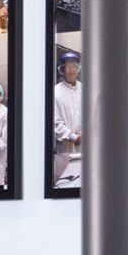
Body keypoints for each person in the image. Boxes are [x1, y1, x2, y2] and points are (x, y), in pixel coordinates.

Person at [53, 54, 84, 188]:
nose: (71, 70)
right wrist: (73, 137)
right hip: (64, 151)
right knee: (65, 185)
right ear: (61, 69)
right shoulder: (55, 92)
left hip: (85, 148)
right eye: (68, 67)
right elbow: (55, 122)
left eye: (74, 66)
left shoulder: (85, 89)